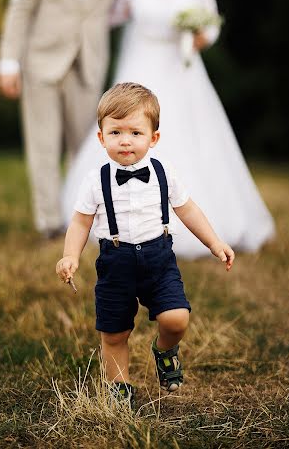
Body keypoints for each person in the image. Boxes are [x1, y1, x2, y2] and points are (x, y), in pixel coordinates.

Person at [62, 0, 275, 257]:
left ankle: (200, 220)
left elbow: (212, 23)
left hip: (183, 69)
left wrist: (201, 37)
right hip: (141, 66)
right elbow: (112, 15)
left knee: (193, 135)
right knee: (129, 124)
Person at [56, 83, 235, 407]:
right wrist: (71, 255)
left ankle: (165, 351)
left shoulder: (164, 173)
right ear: (101, 138)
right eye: (115, 132)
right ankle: (119, 385)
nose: (125, 140)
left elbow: (188, 209)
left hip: (158, 260)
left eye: (136, 133)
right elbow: (81, 222)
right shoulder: (96, 180)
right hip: (115, 262)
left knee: (176, 318)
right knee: (114, 333)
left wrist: (214, 242)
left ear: (153, 138)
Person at [0, 0, 125, 239]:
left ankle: (81, 219)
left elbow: (121, 8)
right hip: (41, 61)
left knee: (85, 147)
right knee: (43, 146)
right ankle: (48, 224)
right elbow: (21, 6)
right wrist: (8, 61)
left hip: (89, 64)